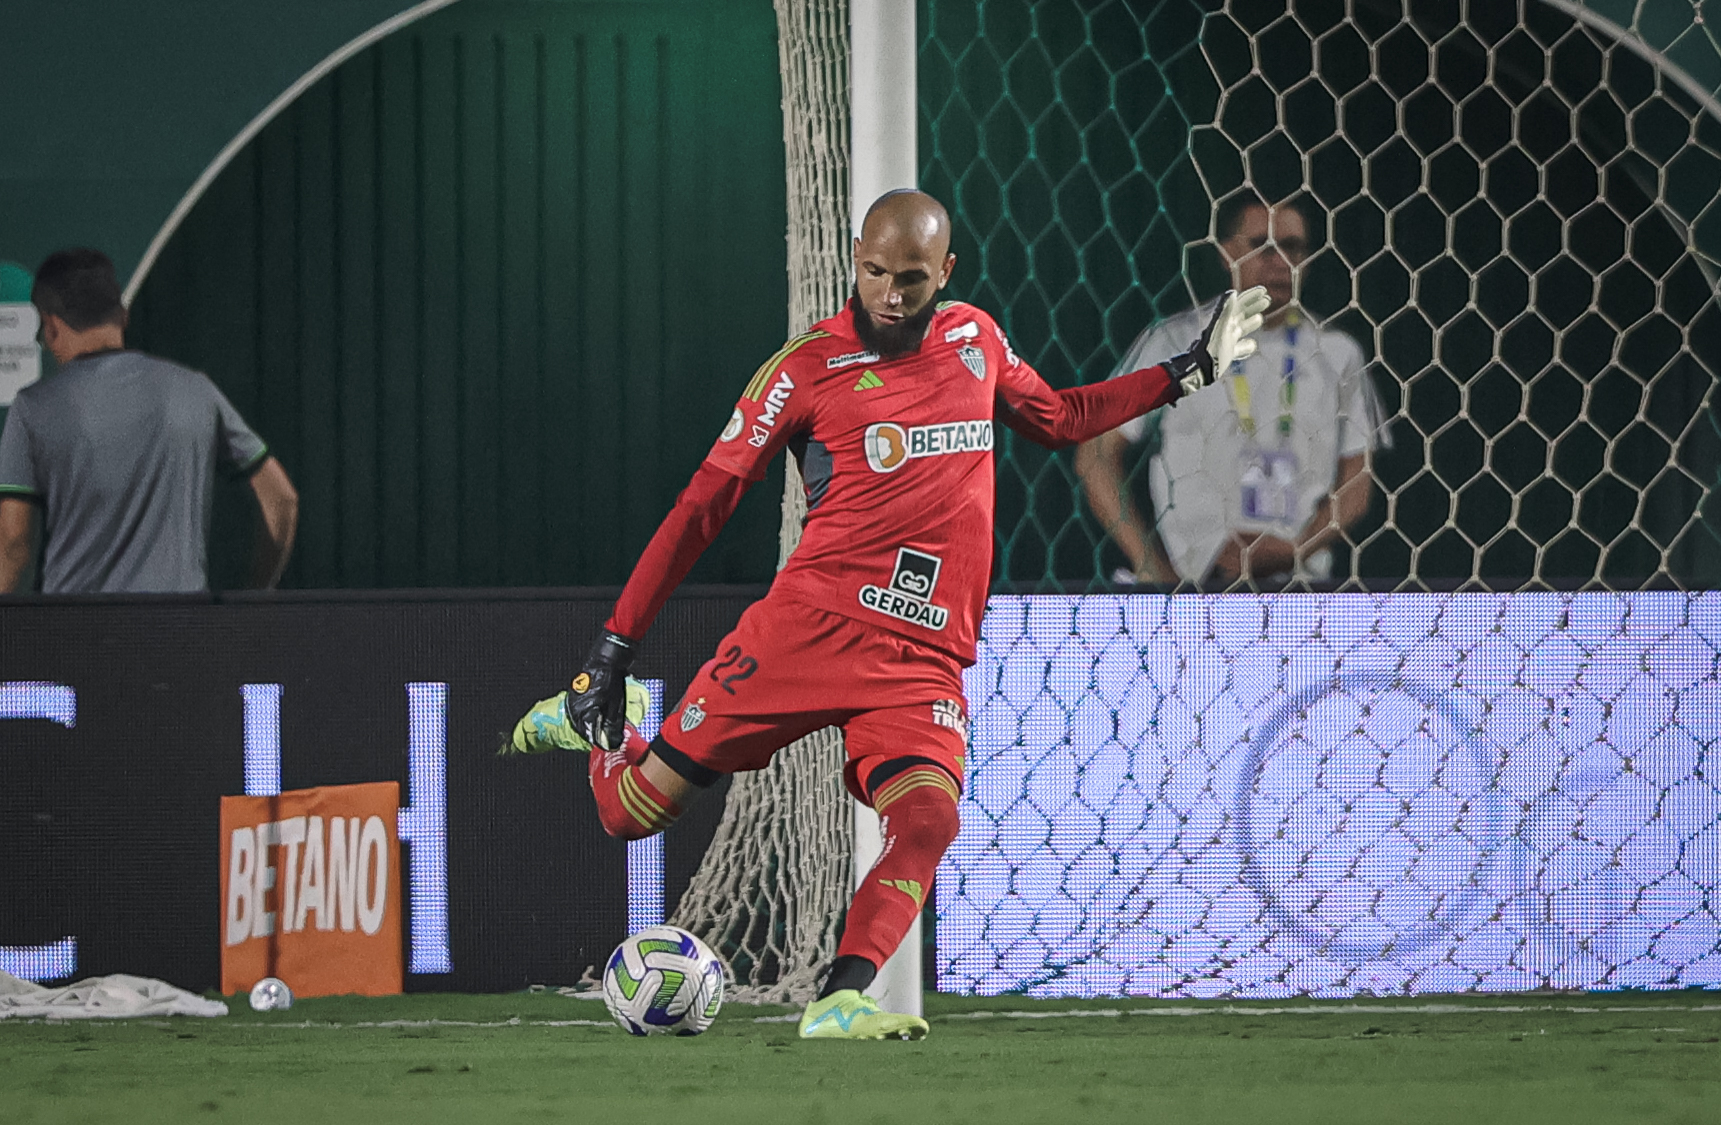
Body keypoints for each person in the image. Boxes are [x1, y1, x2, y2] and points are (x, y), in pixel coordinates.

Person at [509, 191, 1267, 1039]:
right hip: (808, 631)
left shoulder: (974, 339)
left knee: (929, 816)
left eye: (911, 278)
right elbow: (701, 507)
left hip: (921, 657)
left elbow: (1057, 419)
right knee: (629, 816)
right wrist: (614, 646)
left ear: (945, 271)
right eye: (875, 273)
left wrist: (1183, 374)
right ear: (854, 258)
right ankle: (616, 734)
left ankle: (839, 998)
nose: (891, 294)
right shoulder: (802, 369)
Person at [1075, 191, 1387, 586]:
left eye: (1292, 247)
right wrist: (1151, 567)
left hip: (1300, 594)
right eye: (1262, 246)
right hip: (1188, 592)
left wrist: (1292, 550)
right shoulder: (1174, 342)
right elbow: (1096, 455)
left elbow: (1357, 483)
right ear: (1226, 253)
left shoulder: (1338, 354)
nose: (1279, 262)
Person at [0, 249, 299, 593]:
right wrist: (257, 593)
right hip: (177, 631)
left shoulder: (32, 408)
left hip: (76, 633)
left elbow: (13, 543)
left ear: (50, 327)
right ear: (123, 316)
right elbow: (282, 498)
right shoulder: (196, 391)